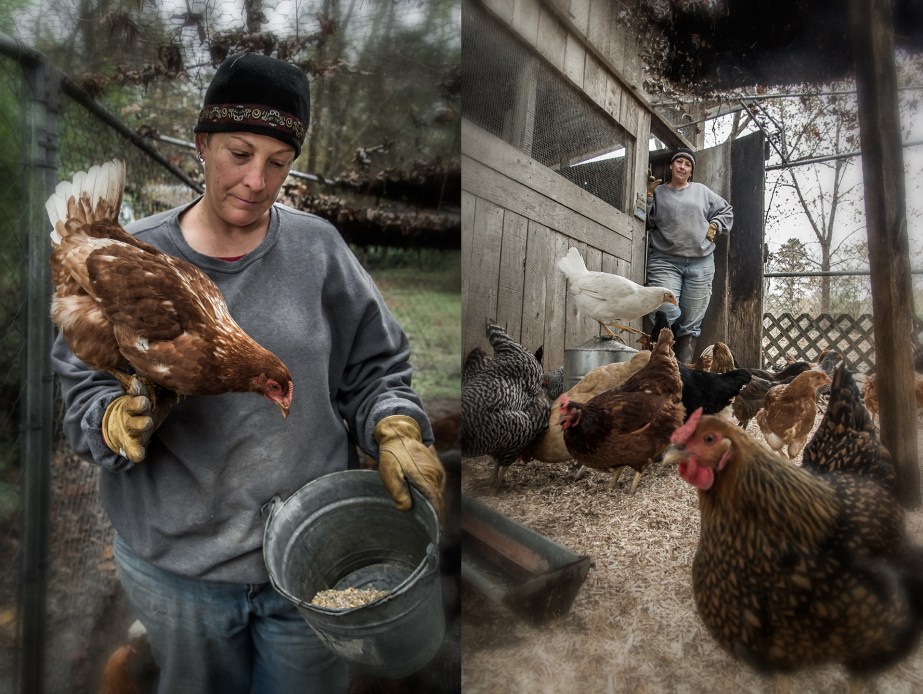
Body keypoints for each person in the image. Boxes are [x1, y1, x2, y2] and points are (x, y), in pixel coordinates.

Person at [51, 53, 446, 694]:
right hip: (178, 568)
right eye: (239, 153)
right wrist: (109, 419)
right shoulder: (128, 253)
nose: (257, 180)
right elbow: (81, 385)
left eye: (279, 163)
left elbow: (376, 366)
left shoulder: (317, 248)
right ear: (202, 144)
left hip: (311, 560)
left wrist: (395, 425)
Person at [645, 146, 733, 363]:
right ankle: (661, 367)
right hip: (665, 259)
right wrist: (648, 197)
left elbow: (726, 211)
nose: (682, 167)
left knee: (692, 319)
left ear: (691, 170)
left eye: (687, 164)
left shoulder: (701, 191)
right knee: (665, 311)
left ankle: (683, 371)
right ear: (671, 165)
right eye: (679, 162)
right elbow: (646, 220)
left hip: (700, 262)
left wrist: (716, 224)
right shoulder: (659, 192)